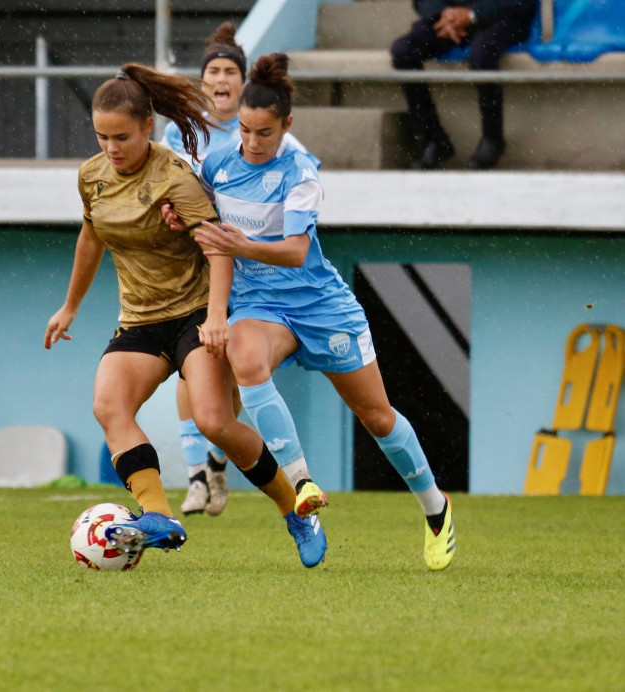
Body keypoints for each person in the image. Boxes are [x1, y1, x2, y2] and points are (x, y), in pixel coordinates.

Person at [166, 53, 457, 570]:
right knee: (244, 356)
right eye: (247, 131)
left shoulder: (300, 171)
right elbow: (202, 222)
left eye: (265, 133)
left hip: (322, 307)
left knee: (377, 417)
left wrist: (241, 244)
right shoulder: (218, 165)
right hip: (261, 305)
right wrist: (179, 216)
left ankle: (436, 510)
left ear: (287, 126)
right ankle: (302, 483)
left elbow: (297, 251)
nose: (253, 143)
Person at [44, 62, 327, 567]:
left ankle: (295, 510)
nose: (111, 147)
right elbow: (91, 237)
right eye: (102, 137)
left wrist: (217, 317)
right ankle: (157, 515)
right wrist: (70, 306)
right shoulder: (91, 178)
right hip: (140, 319)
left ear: (147, 127)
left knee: (215, 421)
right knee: (109, 406)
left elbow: (219, 250)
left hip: (196, 314)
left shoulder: (174, 175)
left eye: (122, 137)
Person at [161, 21, 322, 518]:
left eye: (230, 70)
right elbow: (176, 189)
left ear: (241, 80)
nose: (221, 79)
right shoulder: (180, 131)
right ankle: (197, 474)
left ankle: (217, 457)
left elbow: (296, 184)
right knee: (192, 369)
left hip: (250, 267)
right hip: (196, 261)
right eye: (213, 71)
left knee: (230, 367)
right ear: (204, 82)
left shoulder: (259, 131)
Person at [391, 0, 538, 170]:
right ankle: (434, 139)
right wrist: (445, 14)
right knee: (404, 51)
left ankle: (492, 139)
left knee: (482, 55)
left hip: (502, 17)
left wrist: (471, 15)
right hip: (450, 18)